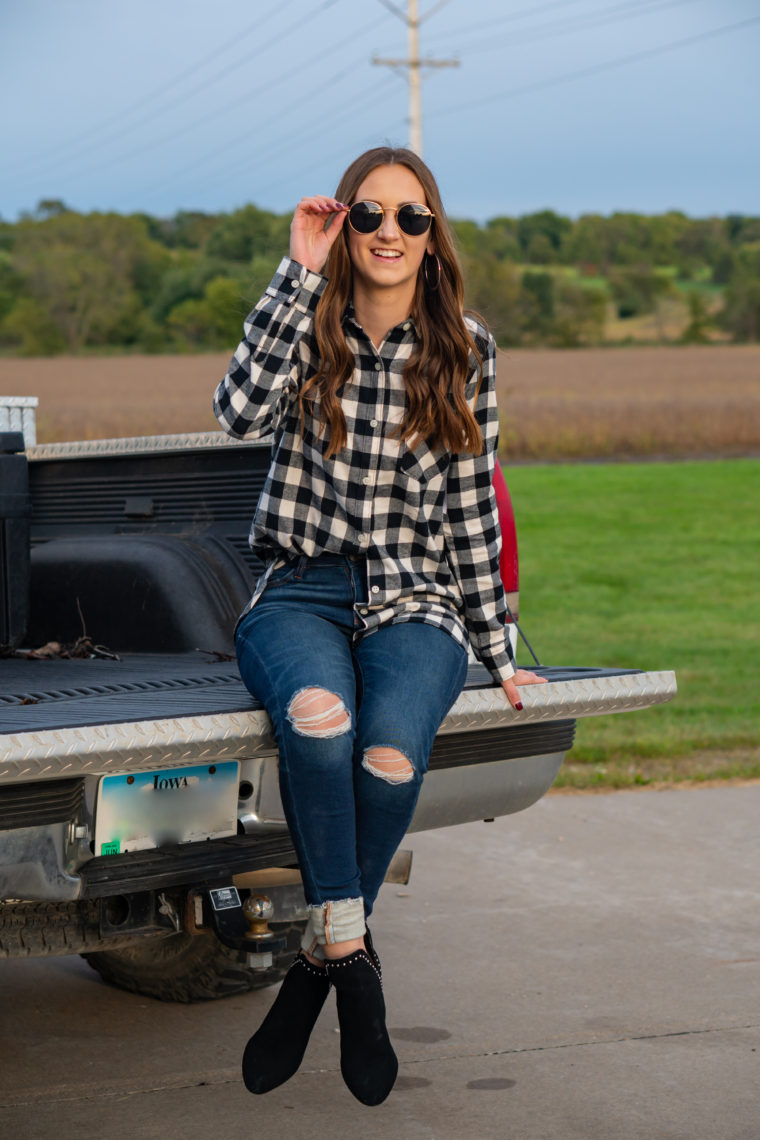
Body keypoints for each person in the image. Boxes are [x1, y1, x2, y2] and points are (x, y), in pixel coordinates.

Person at [213, 146, 546, 1106]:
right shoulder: (306, 329)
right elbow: (235, 413)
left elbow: (474, 514)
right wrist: (296, 267)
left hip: (419, 599)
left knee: (388, 757)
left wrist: (500, 645)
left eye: (410, 217)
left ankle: (318, 963)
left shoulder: (468, 351)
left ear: (434, 236)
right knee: (319, 719)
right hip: (301, 589)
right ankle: (354, 955)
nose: (389, 233)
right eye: (368, 216)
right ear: (344, 227)